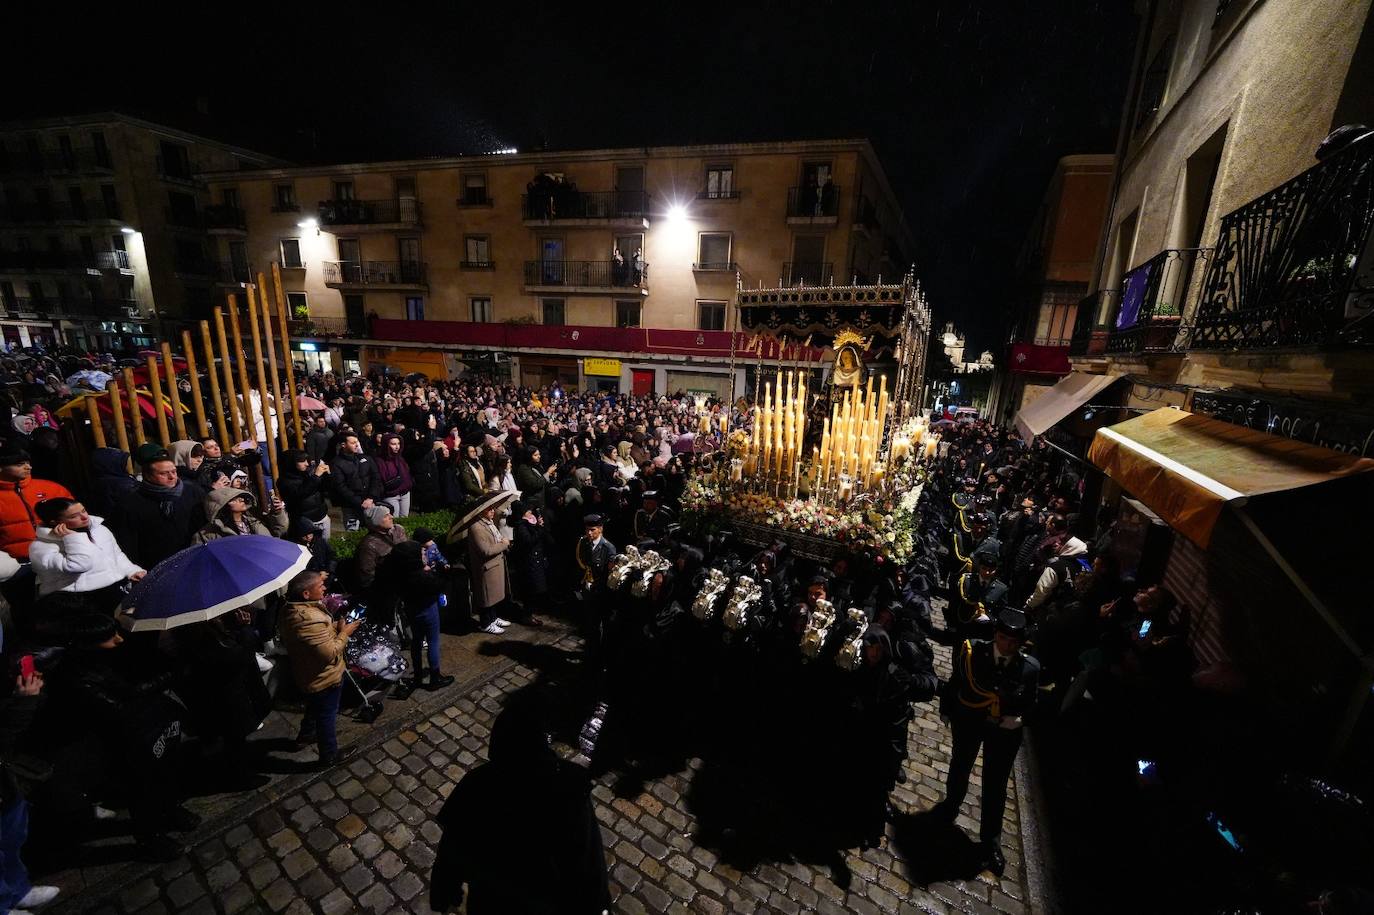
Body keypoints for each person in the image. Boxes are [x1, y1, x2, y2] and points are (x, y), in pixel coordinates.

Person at [429, 692, 610, 915]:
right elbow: (589, 868)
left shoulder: (478, 784)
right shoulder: (568, 787)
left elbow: (451, 851)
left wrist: (443, 895)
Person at [933, 608, 1040, 875]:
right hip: (970, 720)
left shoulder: (1029, 668)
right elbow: (956, 682)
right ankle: (951, 804)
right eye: (1003, 639)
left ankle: (990, 839)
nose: (1007, 646)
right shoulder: (974, 653)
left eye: (1013, 642)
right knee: (960, 765)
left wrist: (1020, 719)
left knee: (996, 783)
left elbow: (1033, 702)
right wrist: (946, 709)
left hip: (1004, 731)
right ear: (995, 636)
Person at [278, 570, 359, 767]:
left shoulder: (292, 609)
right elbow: (329, 652)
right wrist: (345, 633)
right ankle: (329, 755)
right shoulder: (308, 619)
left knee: (315, 709)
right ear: (306, 594)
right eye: (319, 585)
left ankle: (305, 736)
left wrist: (332, 627)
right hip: (324, 677)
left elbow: (314, 640)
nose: (324, 588)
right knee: (327, 716)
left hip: (308, 673)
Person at [28, 499, 145, 612]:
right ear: (55, 522)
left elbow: (116, 555)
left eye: (83, 510)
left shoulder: (99, 530)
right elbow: (78, 566)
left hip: (111, 591)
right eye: (74, 516)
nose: (85, 517)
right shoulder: (41, 547)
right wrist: (72, 538)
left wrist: (131, 570)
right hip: (75, 601)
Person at [384, 541, 455, 698]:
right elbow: (440, 584)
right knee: (433, 642)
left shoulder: (401, 574)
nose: (424, 555)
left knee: (416, 640)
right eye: (422, 554)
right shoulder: (423, 576)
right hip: (428, 610)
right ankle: (435, 677)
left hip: (412, 611)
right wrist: (438, 572)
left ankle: (417, 675)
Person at [111, 455, 206, 570]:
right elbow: (129, 541)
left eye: (174, 472)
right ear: (148, 476)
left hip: (195, 557)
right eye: (163, 473)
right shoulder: (131, 503)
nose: (172, 477)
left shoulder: (193, 491)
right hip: (157, 565)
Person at [0, 448, 73, 562]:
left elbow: (76, 516)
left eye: (28, 463)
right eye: (20, 464)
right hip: (16, 561)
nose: (28, 467)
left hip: (59, 553)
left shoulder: (52, 488)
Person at [574, 514, 617, 663]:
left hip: (602, 593)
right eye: (587, 530)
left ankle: (601, 655)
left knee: (602, 626)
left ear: (600, 529)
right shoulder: (584, 543)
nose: (589, 533)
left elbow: (611, 575)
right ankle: (592, 652)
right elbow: (580, 565)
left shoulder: (608, 548)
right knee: (590, 623)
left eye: (592, 530)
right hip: (588, 590)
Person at [467, 499, 513, 634]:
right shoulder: (476, 527)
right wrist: (504, 544)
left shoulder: (489, 522)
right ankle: (486, 623)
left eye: (493, 508)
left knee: (495, 596)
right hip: (487, 567)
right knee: (487, 597)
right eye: (489, 509)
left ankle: (493, 618)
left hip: (496, 564)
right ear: (481, 511)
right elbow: (486, 550)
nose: (493, 511)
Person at [193, 486, 289, 543]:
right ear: (221, 506)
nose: (242, 500)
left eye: (241, 497)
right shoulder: (206, 534)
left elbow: (280, 530)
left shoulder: (255, 519)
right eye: (234, 499)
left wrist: (277, 513)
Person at [329, 433, 381, 532]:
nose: (356, 445)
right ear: (343, 445)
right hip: (350, 506)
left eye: (357, 442)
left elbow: (375, 477)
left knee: (373, 531)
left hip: (370, 502)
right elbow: (340, 486)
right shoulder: (336, 463)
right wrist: (360, 502)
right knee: (353, 533)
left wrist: (371, 497)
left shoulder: (365, 458)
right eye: (353, 443)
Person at [511, 502, 552, 626]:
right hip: (529, 563)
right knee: (530, 591)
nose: (530, 513)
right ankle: (527, 616)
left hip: (535, 561)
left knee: (534, 590)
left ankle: (529, 613)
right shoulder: (520, 527)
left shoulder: (528, 524)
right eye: (528, 512)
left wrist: (539, 526)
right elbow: (529, 541)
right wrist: (538, 528)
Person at [277, 449, 332, 539]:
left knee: (325, 548)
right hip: (306, 523)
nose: (306, 464)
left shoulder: (307, 473)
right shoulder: (284, 482)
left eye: (307, 460)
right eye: (302, 461)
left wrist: (327, 475)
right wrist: (316, 477)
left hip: (322, 516)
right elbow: (299, 495)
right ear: (291, 463)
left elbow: (325, 490)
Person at [355, 505, 406, 595]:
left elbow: (411, 551)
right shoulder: (368, 545)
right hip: (388, 587)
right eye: (386, 516)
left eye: (390, 514)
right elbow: (367, 578)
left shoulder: (398, 530)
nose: (392, 517)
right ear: (376, 521)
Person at [375, 432, 414, 519]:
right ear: (386, 445)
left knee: (404, 518)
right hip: (390, 495)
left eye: (398, 443)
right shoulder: (379, 461)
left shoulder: (400, 458)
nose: (397, 447)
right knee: (393, 519)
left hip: (404, 493)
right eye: (393, 444)